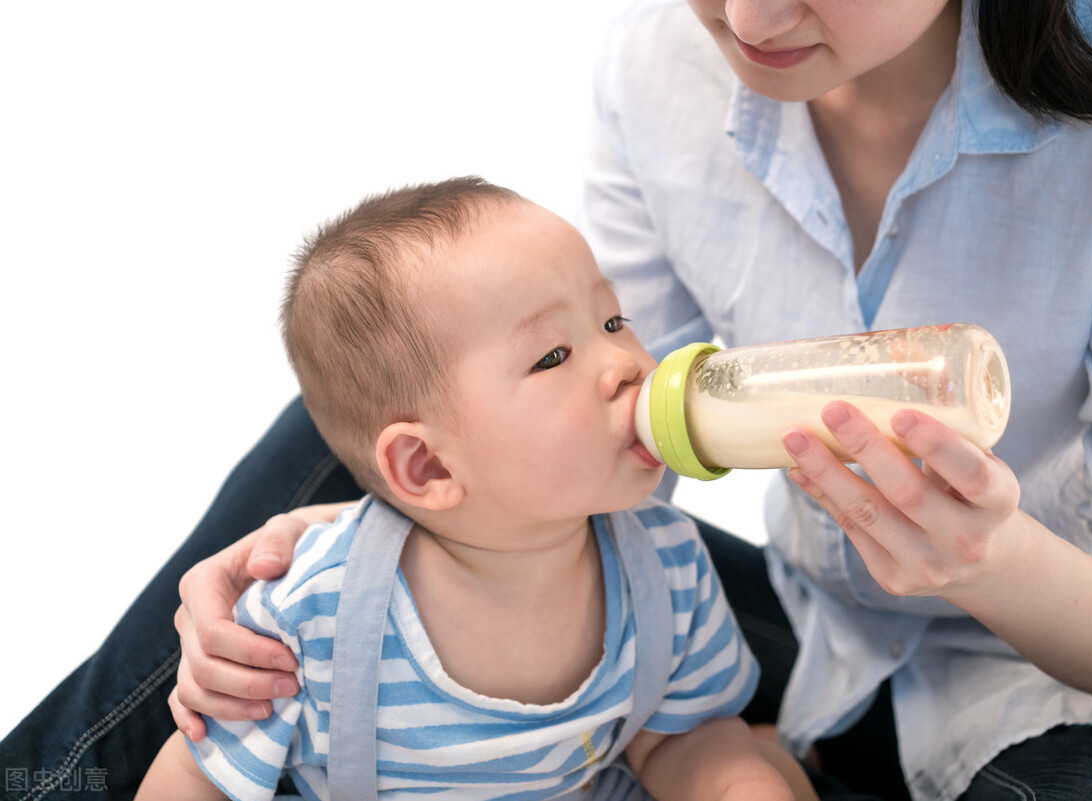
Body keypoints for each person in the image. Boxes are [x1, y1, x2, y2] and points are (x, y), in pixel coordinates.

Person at [4, 0, 1092, 799]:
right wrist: (355, 547)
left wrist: (987, 560)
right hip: (811, 641)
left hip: (1061, 688)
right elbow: (607, 418)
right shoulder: (667, 59)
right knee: (401, 383)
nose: (748, 19)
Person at [132, 177, 816, 801]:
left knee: (768, 760)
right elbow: (198, 776)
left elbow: (680, 737)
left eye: (613, 321)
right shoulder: (315, 618)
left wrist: (736, 781)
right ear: (428, 467)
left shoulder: (666, 565)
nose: (623, 364)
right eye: (553, 356)